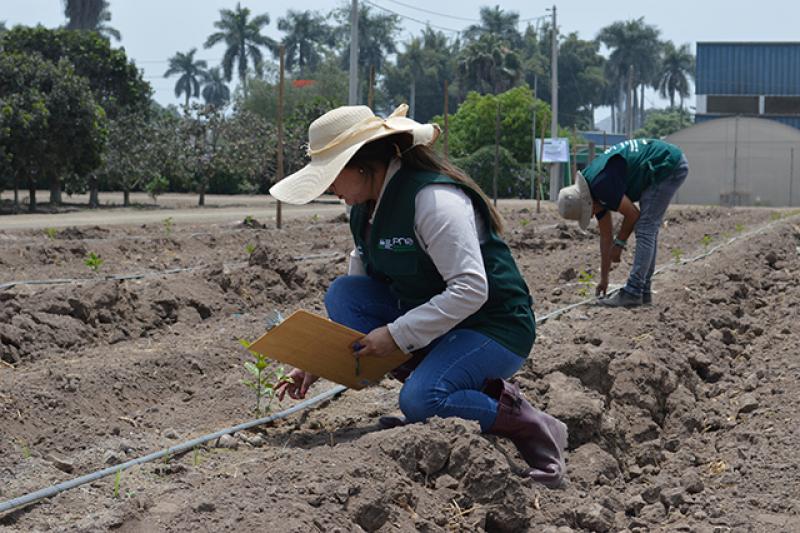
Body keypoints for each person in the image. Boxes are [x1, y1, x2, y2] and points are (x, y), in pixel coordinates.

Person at [270, 104, 568, 488]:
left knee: (421, 401)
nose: (328, 188)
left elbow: (471, 288)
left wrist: (394, 335)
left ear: (361, 164)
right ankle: (435, 389)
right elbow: (360, 292)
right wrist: (320, 359)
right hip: (439, 322)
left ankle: (532, 425)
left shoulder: (434, 201)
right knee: (345, 294)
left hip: (493, 326)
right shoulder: (365, 209)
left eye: (330, 175)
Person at [557, 138, 689, 307]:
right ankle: (643, 291)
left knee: (646, 227)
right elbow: (605, 238)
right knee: (648, 227)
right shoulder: (593, 192)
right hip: (662, 163)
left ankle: (634, 291)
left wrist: (619, 243)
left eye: (587, 213)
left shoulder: (602, 186)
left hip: (667, 165)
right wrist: (604, 279)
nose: (590, 217)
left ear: (588, 203)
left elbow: (633, 214)